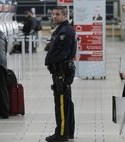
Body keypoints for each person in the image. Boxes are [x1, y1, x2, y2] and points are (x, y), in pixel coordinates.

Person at [45, 6, 76, 142]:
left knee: (62, 103)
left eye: (57, 14)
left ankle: (62, 134)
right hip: (61, 70)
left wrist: (48, 60)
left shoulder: (65, 31)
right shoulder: (61, 30)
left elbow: (61, 53)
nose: (54, 16)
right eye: (53, 14)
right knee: (66, 101)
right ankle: (68, 131)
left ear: (64, 15)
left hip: (62, 71)